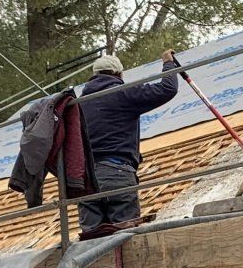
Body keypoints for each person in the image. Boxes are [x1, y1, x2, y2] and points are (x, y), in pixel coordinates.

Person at [76, 49, 182, 236]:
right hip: (117, 173)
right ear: (119, 74)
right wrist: (168, 63)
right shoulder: (122, 93)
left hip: (86, 180)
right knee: (125, 240)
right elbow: (167, 89)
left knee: (91, 242)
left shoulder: (78, 104)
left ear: (94, 76)